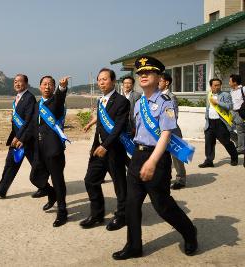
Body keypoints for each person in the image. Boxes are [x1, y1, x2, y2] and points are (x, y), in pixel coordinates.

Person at [113, 56, 197, 260]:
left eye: (147, 72)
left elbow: (166, 135)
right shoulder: (139, 103)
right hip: (137, 156)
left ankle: (189, 232)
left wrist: (152, 161)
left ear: (158, 76)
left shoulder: (165, 102)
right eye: (140, 73)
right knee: (132, 205)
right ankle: (134, 246)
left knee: (163, 206)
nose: (142, 76)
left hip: (156, 158)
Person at [79, 68, 130, 230]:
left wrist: (105, 146)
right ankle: (97, 214)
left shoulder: (122, 101)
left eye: (105, 79)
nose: (101, 82)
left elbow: (119, 128)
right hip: (98, 150)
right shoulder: (100, 101)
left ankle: (122, 216)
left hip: (114, 150)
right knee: (90, 180)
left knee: (119, 185)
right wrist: (95, 145)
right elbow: (100, 125)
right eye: (99, 79)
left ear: (113, 81)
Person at [17, 75, 70, 227]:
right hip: (38, 150)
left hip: (54, 150)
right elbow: (33, 127)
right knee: (35, 177)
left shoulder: (56, 102)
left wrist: (62, 87)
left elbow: (60, 97)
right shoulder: (37, 105)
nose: (47, 87)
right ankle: (51, 193)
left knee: (58, 181)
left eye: (50, 85)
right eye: (44, 84)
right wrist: (22, 139)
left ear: (53, 87)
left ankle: (62, 212)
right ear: (40, 87)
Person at [0, 74, 46, 198]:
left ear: (26, 84)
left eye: (20, 81)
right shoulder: (18, 98)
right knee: (10, 164)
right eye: (15, 82)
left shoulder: (29, 98)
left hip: (26, 140)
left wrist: (20, 138)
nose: (17, 84)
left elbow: (29, 121)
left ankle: (44, 187)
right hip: (17, 138)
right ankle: (1, 189)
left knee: (36, 165)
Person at [198, 78, 238, 168]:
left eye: (219, 85)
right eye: (215, 85)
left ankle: (234, 157)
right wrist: (206, 118)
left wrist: (218, 102)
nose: (217, 87)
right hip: (210, 122)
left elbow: (230, 106)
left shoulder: (225, 95)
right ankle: (209, 161)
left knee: (226, 142)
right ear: (211, 86)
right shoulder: (208, 95)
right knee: (209, 143)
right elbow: (208, 108)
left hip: (221, 123)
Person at [159, 73, 187, 189]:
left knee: (177, 156)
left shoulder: (171, 97)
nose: (157, 82)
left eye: (160, 81)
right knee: (163, 157)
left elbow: (173, 116)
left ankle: (181, 180)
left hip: (172, 130)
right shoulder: (155, 96)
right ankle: (165, 178)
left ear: (167, 82)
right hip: (159, 131)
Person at [229, 74, 245, 161]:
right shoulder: (231, 91)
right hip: (231, 112)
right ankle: (239, 143)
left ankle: (241, 148)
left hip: (240, 112)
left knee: (240, 130)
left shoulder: (243, 89)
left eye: (230, 81)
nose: (229, 83)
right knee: (228, 129)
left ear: (234, 82)